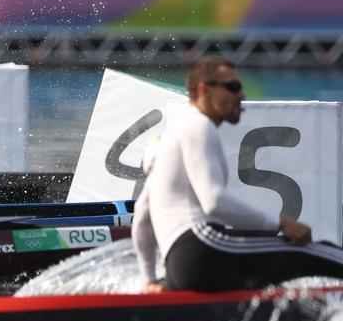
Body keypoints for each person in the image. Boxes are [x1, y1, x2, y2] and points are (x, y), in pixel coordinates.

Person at [132, 57, 343, 292]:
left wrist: (149, 280)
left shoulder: (172, 134)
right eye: (232, 87)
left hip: (179, 267)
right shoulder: (199, 125)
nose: (241, 95)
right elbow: (214, 202)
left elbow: (142, 214)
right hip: (204, 247)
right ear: (204, 89)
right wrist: (281, 224)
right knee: (314, 251)